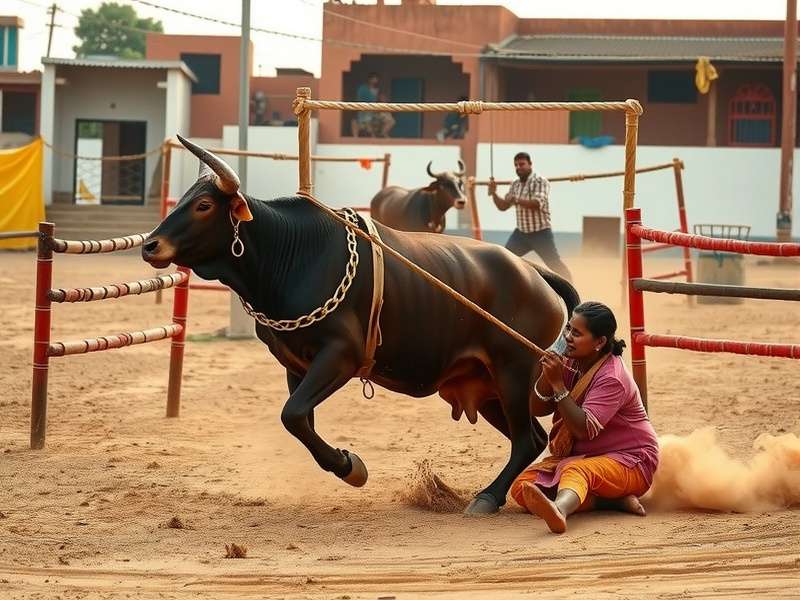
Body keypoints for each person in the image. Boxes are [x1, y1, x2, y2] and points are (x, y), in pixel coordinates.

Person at [510, 301, 659, 534]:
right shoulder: (568, 361)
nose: (568, 337)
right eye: (568, 329)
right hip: (586, 457)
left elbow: (583, 430)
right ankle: (611, 501)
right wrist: (547, 376)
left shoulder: (613, 377)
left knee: (576, 471)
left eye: (577, 333)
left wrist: (558, 384)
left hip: (632, 462)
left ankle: (559, 509)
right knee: (523, 486)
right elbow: (537, 409)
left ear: (599, 342)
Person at [488, 152, 572, 281]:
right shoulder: (515, 184)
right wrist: (494, 193)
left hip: (541, 233)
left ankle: (573, 293)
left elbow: (537, 204)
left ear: (530, 164)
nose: (518, 167)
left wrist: (515, 199)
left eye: (522, 164)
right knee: (504, 260)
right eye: (516, 165)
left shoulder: (540, 181)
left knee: (554, 264)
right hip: (521, 234)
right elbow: (503, 206)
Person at [354, 73, 395, 138]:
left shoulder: (377, 89)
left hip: (376, 111)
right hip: (365, 112)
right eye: (374, 78)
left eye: (376, 79)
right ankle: (372, 137)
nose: (375, 80)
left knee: (390, 120)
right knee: (364, 123)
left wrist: (383, 100)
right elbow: (359, 100)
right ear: (369, 79)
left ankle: (383, 133)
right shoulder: (363, 88)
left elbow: (382, 99)